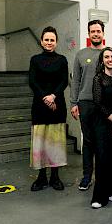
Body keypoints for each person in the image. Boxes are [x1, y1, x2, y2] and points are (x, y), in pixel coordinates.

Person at [29, 26, 69, 191]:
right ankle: (41, 177)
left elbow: (63, 81)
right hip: (39, 106)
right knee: (41, 143)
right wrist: (45, 97)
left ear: (56, 42)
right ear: (41, 41)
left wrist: (53, 96)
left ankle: (55, 177)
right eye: (46, 39)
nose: (49, 42)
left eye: (52, 40)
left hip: (57, 106)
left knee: (55, 143)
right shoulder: (35, 60)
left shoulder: (62, 60)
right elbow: (33, 81)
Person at [70, 19, 105, 191]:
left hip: (104, 105)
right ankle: (86, 177)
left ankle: (101, 177)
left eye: (98, 31)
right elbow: (75, 80)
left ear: (103, 33)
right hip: (85, 103)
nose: (96, 34)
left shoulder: (109, 54)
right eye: (93, 31)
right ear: (89, 34)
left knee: (101, 141)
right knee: (88, 141)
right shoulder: (81, 55)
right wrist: (73, 102)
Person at [90, 47, 112, 209]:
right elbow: (98, 104)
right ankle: (99, 196)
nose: (110, 59)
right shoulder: (98, 79)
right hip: (103, 123)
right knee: (103, 159)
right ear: (102, 60)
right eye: (106, 57)